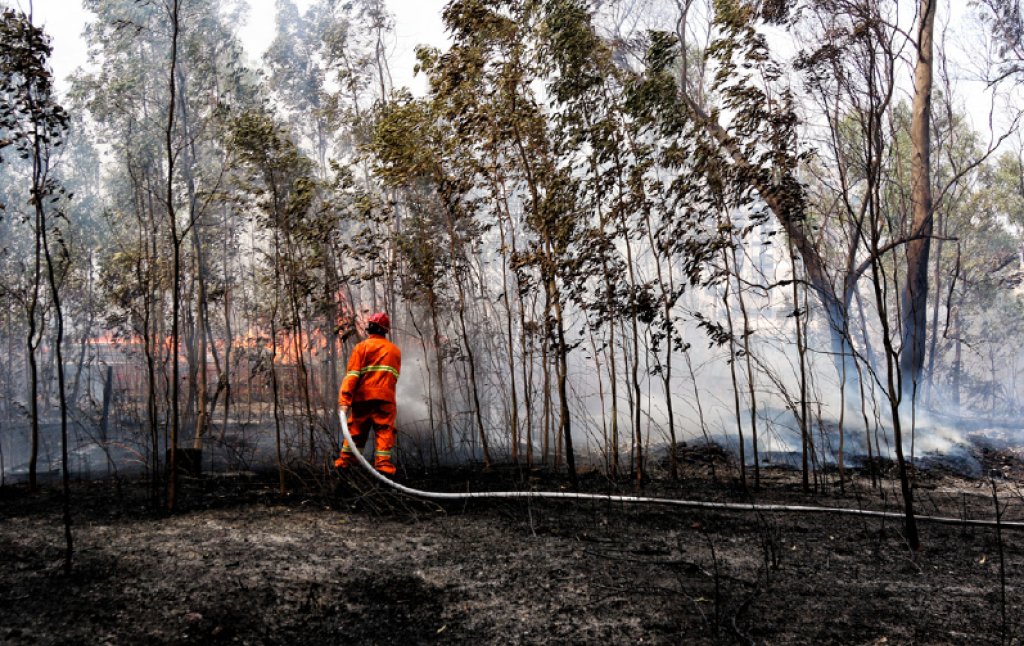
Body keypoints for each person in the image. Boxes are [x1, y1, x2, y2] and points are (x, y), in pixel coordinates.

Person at [335, 312, 401, 475]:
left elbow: (352, 377)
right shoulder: (395, 351)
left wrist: (344, 402)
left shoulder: (361, 348)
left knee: (356, 431)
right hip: (385, 400)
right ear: (385, 330)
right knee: (385, 431)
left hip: (363, 399)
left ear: (370, 328)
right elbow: (394, 378)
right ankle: (384, 468)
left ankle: (345, 466)